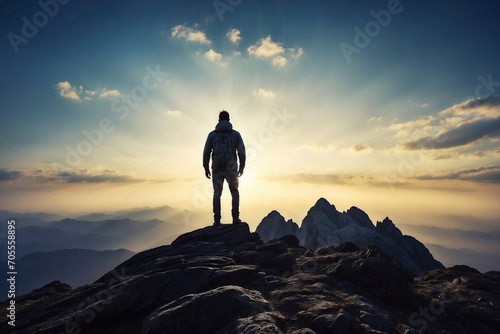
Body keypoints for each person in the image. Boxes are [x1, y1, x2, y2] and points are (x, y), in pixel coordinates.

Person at [203, 110, 246, 226]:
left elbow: (206, 152)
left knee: (217, 193)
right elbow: (241, 151)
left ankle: (217, 219)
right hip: (231, 167)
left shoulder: (212, 135)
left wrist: (206, 167)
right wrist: (242, 167)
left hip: (217, 167)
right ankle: (235, 217)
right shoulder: (235, 135)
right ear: (229, 119)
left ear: (218, 120)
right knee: (234, 191)